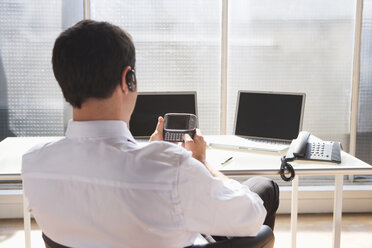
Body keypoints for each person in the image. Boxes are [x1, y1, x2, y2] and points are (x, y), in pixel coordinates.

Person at [22, 20, 279, 248]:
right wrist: (200, 164)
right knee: (264, 190)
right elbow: (252, 216)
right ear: (128, 79)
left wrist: (151, 154)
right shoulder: (170, 169)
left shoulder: (34, 163)